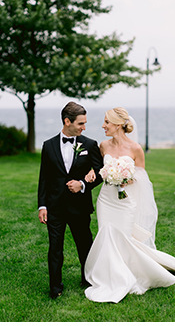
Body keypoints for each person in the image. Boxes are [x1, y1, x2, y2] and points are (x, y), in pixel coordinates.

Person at [82, 107, 175, 303]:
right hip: (106, 199)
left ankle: (129, 274)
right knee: (106, 234)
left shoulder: (135, 149)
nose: (103, 126)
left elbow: (141, 177)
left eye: (107, 122)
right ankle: (108, 276)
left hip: (125, 200)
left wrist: (125, 178)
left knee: (124, 238)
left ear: (118, 125)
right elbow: (96, 167)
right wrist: (94, 173)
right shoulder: (103, 146)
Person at [37, 101, 103, 299]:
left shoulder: (90, 145)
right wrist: (42, 205)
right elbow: (44, 178)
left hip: (79, 207)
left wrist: (82, 184)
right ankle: (55, 288)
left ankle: (88, 279)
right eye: (81, 123)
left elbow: (101, 173)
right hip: (54, 207)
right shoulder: (48, 146)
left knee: (84, 245)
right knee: (55, 248)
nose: (84, 127)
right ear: (67, 121)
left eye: (84, 123)